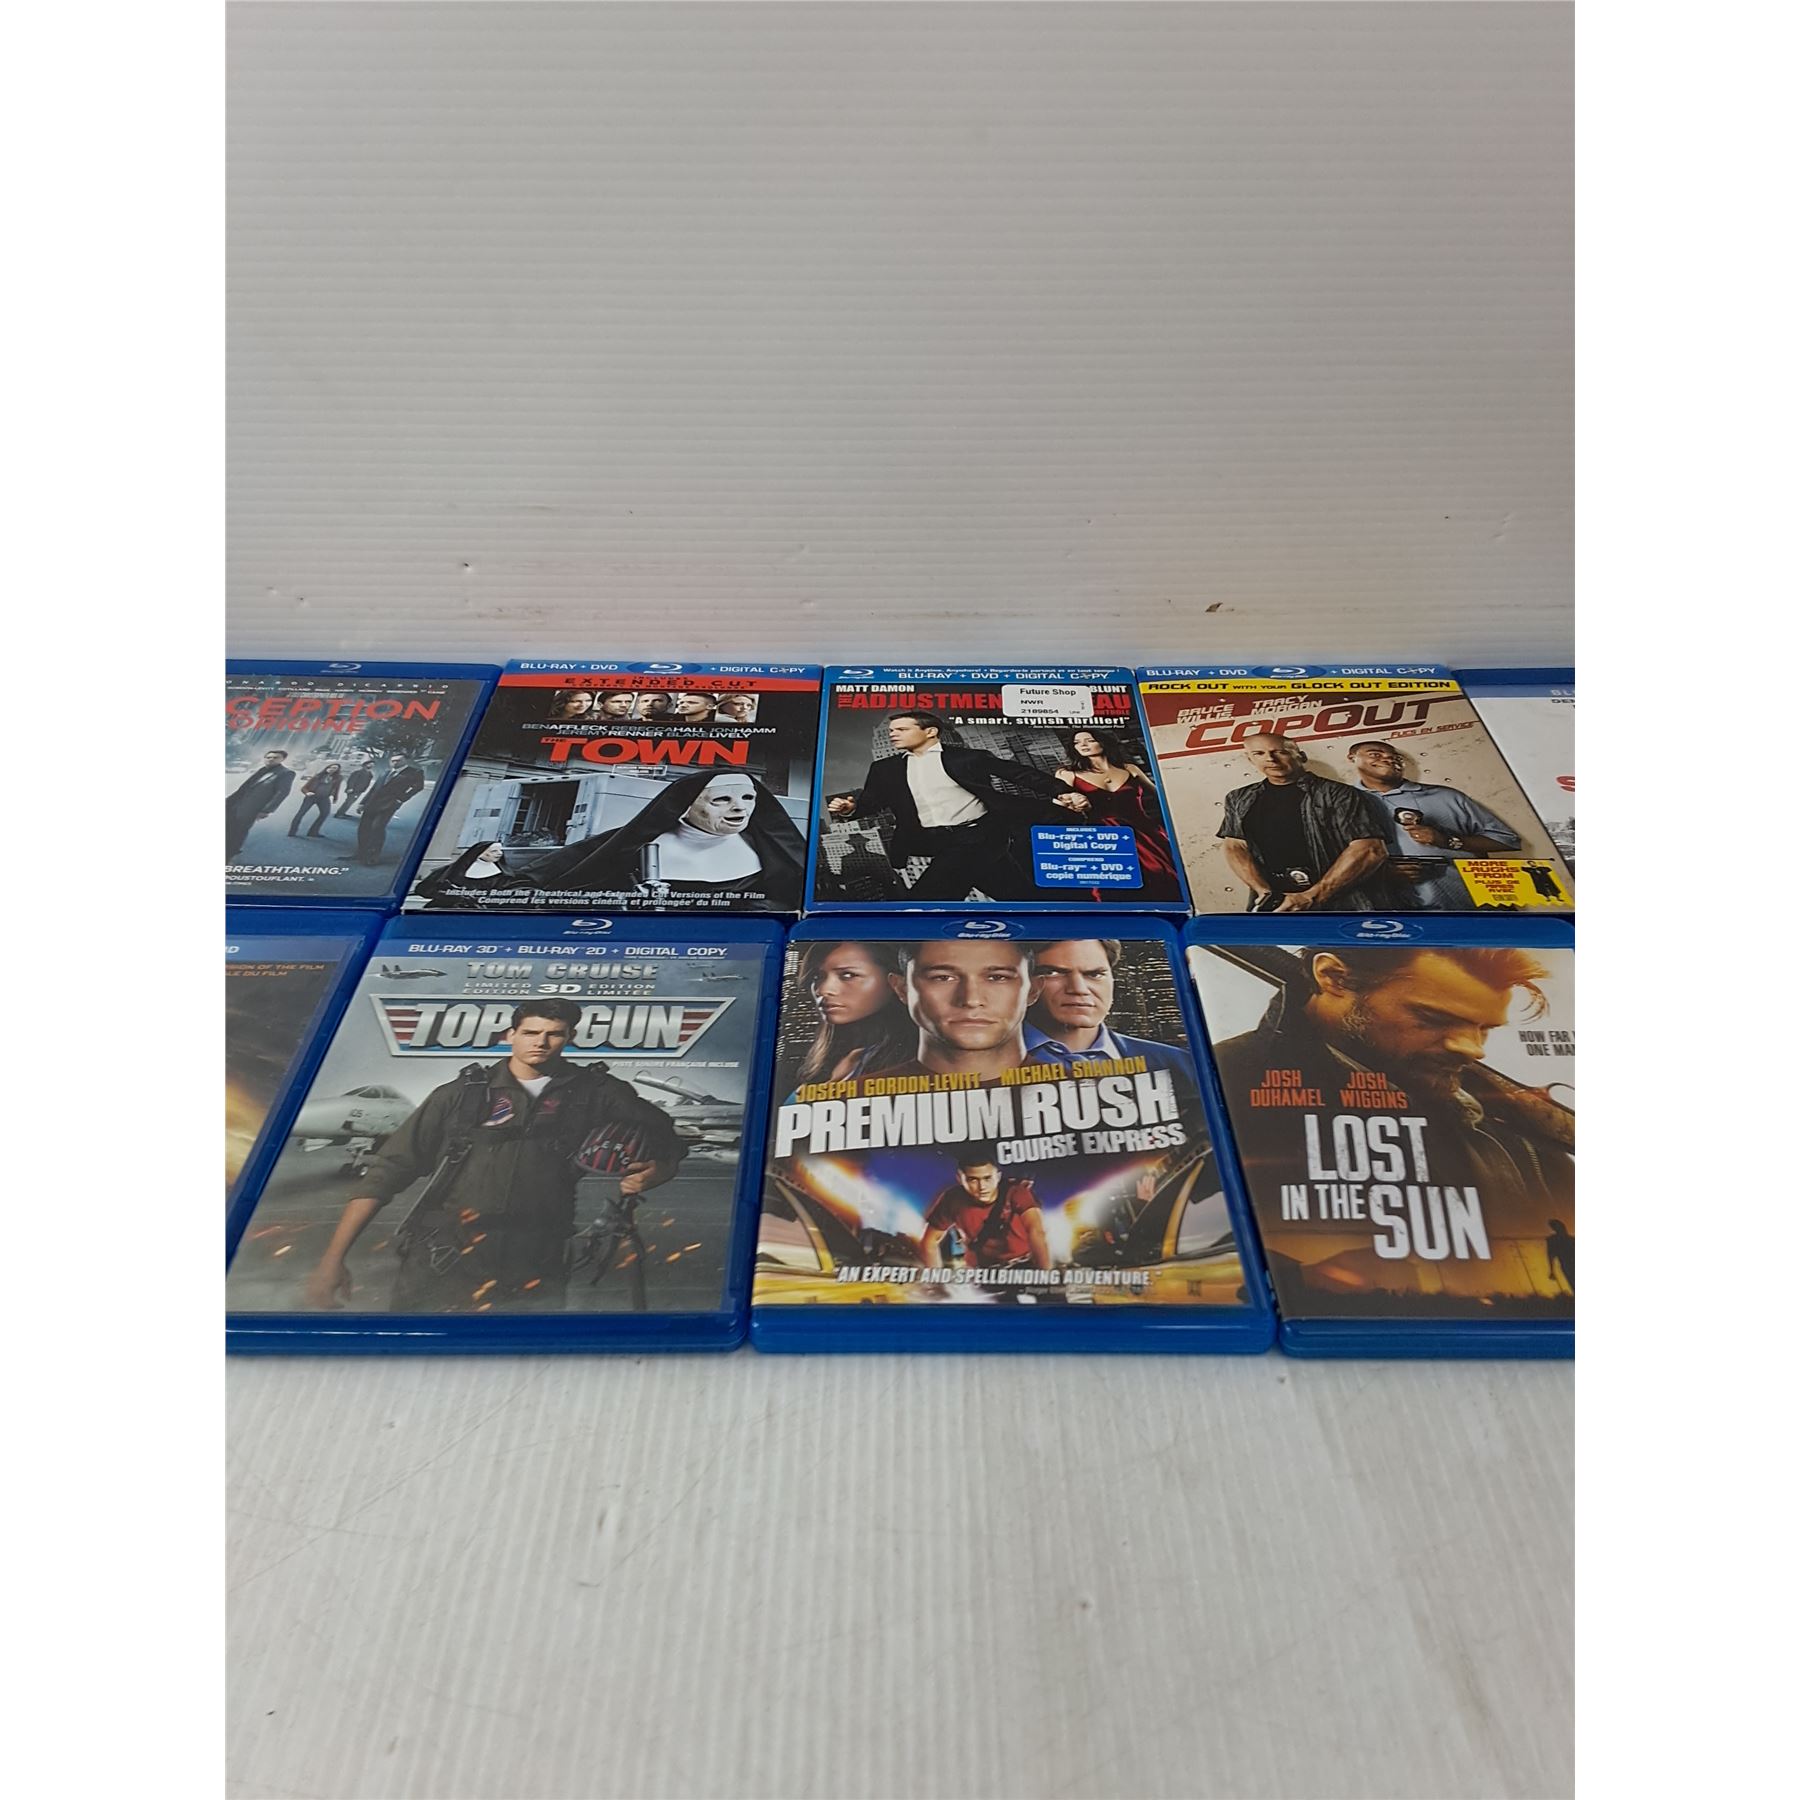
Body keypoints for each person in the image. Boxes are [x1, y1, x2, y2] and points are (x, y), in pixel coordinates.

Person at [301, 999, 683, 1313]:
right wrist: (332, 1259)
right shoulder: (459, 1095)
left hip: (538, 1256)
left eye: (554, 1034)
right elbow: (387, 1173)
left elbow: (665, 1134)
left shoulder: (597, 1092)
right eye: (530, 1032)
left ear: (571, 1038)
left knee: (524, 1358)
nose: (541, 1042)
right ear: (510, 1035)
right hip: (444, 1255)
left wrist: (660, 1170)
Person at [1210, 944, 1574, 1237]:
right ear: (1333, 977)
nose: (1473, 1049)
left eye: (1484, 1028)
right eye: (1433, 1018)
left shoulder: (1507, 1118)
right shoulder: (1224, 1084)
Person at [826, 710, 1090, 902]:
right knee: (1017, 894)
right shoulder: (884, 768)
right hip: (935, 841)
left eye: (902, 729)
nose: (893, 734)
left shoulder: (967, 758)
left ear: (931, 731)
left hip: (979, 835)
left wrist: (1064, 791)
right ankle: (1059, 924)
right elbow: (873, 802)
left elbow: (1020, 774)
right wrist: (850, 809)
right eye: (891, 731)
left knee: (925, 903)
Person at [528, 769, 805, 900]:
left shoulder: (772, 849)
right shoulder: (627, 844)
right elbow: (530, 881)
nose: (740, 808)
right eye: (721, 799)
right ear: (686, 805)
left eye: (748, 798)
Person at [1216, 732, 1397, 912]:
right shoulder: (1238, 798)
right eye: (1259, 753)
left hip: (1343, 905)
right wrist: (1263, 892)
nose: (1270, 759)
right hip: (1273, 905)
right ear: (1250, 759)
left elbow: (1370, 850)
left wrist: (1312, 897)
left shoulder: (1340, 794)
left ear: (1301, 756)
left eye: (1280, 752)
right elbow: (1235, 846)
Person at [1345, 740, 1525, 910]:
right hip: (1399, 914)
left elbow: (1507, 840)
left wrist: (1447, 841)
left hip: (1473, 907)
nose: (1388, 759)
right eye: (1375, 754)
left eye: (1395, 757)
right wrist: (1378, 874)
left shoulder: (1446, 796)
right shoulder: (1345, 803)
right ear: (1352, 758)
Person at [1021, 938, 1194, 1085]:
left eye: (1095, 974)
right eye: (1053, 973)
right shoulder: (1004, 1060)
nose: (1079, 989)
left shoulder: (1180, 1064)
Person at [862, 937, 1037, 1082]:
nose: (971, 1000)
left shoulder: (1058, 1092)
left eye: (997, 977)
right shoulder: (857, 1100)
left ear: (1033, 990)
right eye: (943, 978)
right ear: (902, 989)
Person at [1053, 728, 1183, 901]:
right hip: (1103, 837)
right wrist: (1072, 804)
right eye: (1077, 743)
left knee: (1164, 876)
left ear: (1103, 743)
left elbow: (1162, 797)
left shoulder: (1130, 769)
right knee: (1114, 888)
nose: (1083, 745)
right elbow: (1057, 806)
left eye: (1089, 740)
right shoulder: (1068, 774)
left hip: (1146, 833)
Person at [792, 940, 913, 1085]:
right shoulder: (829, 1060)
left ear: (895, 982)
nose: (822, 990)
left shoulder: (920, 1058)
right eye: (817, 977)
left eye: (848, 975)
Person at [919, 1144, 1051, 1275]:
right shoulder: (953, 1199)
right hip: (982, 1273)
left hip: (1024, 1266)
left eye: (987, 1178)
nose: (982, 1186)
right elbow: (929, 1242)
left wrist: (1045, 1276)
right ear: (960, 1179)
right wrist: (935, 1281)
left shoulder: (1016, 1192)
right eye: (972, 1180)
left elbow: (1036, 1231)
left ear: (998, 1177)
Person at [411, 840, 545, 908]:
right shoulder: (451, 870)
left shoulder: (503, 875)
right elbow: (424, 889)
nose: (499, 854)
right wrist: (451, 895)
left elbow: (513, 892)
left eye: (500, 851)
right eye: (494, 851)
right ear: (479, 853)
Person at [350, 754, 426, 868]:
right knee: (363, 828)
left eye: (398, 760)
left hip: (389, 804)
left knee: (377, 828)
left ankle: (372, 857)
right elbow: (374, 789)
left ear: (405, 761)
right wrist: (362, 803)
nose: (395, 763)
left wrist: (402, 799)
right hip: (372, 804)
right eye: (393, 760)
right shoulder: (386, 772)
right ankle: (360, 853)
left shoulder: (414, 772)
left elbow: (418, 787)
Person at [225, 750, 296, 858]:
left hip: (251, 807)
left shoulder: (286, 773)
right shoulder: (262, 770)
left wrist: (266, 810)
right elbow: (246, 788)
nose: (271, 759)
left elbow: (282, 793)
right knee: (227, 826)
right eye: (268, 757)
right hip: (235, 803)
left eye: (275, 757)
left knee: (240, 829)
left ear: (283, 759)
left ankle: (231, 851)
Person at [287, 762, 341, 837]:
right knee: (301, 813)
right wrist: (307, 792)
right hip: (312, 797)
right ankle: (292, 831)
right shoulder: (318, 776)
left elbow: (337, 788)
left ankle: (313, 832)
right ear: (327, 768)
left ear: (337, 770)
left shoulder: (337, 779)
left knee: (325, 813)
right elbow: (304, 788)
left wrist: (335, 798)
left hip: (324, 798)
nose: (332, 769)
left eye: (335, 768)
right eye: (330, 767)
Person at [1545, 1219, 1575, 1294]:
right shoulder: (1554, 1240)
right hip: (1568, 1265)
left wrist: (1552, 1270)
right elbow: (1550, 1255)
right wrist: (1552, 1270)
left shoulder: (1553, 1240)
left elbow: (1550, 1255)